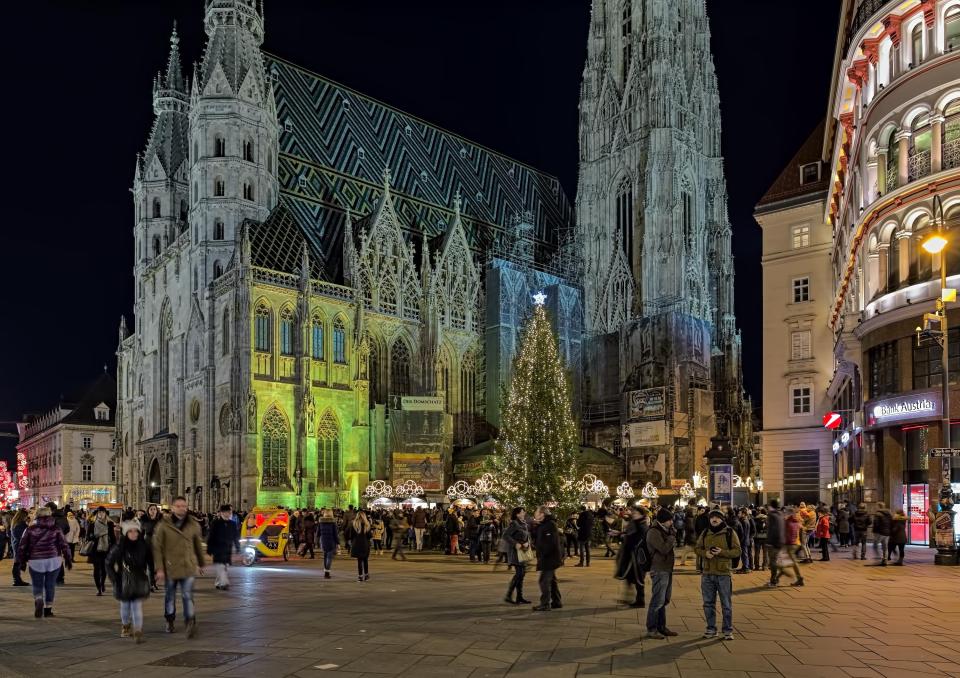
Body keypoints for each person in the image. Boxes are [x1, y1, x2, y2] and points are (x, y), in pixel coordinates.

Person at [153, 496, 206, 637]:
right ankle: (169, 620)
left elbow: (197, 545)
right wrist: (159, 568)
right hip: (170, 567)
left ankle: (190, 621)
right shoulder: (164, 525)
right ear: (172, 508)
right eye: (178, 506)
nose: (182, 508)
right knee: (170, 596)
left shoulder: (193, 524)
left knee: (187, 596)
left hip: (188, 566)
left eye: (184, 506)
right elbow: (157, 547)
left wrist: (201, 563)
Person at [17, 506, 73, 618]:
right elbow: (64, 545)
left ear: (37, 515)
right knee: (50, 585)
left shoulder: (30, 529)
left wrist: (21, 561)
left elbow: (22, 546)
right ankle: (48, 610)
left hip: (36, 560)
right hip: (53, 560)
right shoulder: (56, 528)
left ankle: (38, 599)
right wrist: (68, 559)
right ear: (50, 515)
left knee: (37, 584)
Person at [695, 509, 740, 640]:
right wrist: (705, 554)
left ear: (722, 519)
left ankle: (727, 630)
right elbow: (697, 548)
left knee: (726, 604)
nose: (714, 520)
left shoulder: (729, 532)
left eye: (717, 518)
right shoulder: (705, 533)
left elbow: (737, 551)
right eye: (712, 518)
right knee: (708, 603)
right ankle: (711, 628)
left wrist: (722, 552)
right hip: (708, 572)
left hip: (723, 573)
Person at [105, 518, 152, 643]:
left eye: (135, 531)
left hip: (139, 579)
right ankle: (125, 626)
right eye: (130, 531)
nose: (133, 533)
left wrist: (153, 575)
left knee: (136, 605)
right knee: (125, 605)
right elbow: (109, 562)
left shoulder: (144, 545)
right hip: (123, 579)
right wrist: (114, 578)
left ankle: (138, 630)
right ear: (126, 533)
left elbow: (150, 562)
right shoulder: (120, 546)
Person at [644, 507, 677, 639]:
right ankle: (652, 629)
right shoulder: (653, 532)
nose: (672, 522)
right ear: (664, 521)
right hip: (658, 569)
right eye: (670, 520)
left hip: (667, 568)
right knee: (658, 600)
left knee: (665, 599)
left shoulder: (667, 530)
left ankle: (661, 626)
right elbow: (663, 549)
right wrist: (671, 538)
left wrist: (671, 536)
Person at [614, 506, 649, 608]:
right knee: (629, 577)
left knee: (638, 579)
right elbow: (630, 535)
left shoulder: (642, 525)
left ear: (642, 514)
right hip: (630, 556)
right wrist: (621, 534)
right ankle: (630, 597)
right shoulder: (635, 523)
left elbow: (637, 540)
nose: (633, 514)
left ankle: (640, 600)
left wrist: (624, 536)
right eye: (633, 512)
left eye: (636, 513)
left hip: (637, 557)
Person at [531, 505, 563, 612]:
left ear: (542, 514)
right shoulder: (544, 524)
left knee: (543, 581)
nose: (535, 514)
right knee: (552, 581)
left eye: (536, 512)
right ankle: (557, 602)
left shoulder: (550, 525)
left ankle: (545, 604)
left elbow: (551, 542)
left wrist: (543, 553)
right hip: (547, 557)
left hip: (550, 557)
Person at [206, 505, 240, 590]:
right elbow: (211, 536)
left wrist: (237, 546)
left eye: (230, 512)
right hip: (217, 548)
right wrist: (209, 548)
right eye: (226, 512)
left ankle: (218, 582)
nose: (228, 514)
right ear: (222, 513)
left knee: (224, 566)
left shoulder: (232, 524)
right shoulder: (215, 523)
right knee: (220, 565)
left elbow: (236, 536)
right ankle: (224, 582)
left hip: (227, 549)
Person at [502, 507, 531, 604]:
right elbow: (505, 535)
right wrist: (515, 543)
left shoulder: (524, 523)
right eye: (522, 512)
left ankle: (519, 597)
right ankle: (508, 595)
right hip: (515, 552)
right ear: (517, 514)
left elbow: (526, 536)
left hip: (523, 551)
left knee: (522, 574)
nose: (524, 513)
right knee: (519, 574)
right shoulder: (514, 523)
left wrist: (527, 542)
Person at [87, 507, 116, 595]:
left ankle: (102, 583)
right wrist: (93, 536)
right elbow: (87, 536)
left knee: (104, 569)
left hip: (106, 549)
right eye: (99, 513)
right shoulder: (92, 524)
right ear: (97, 514)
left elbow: (113, 537)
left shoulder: (110, 524)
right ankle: (98, 588)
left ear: (105, 514)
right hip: (95, 549)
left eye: (103, 512)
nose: (101, 514)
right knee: (96, 569)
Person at [347, 510, 372, 581]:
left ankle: (360, 576)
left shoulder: (354, 524)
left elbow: (351, 535)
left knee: (359, 561)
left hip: (357, 544)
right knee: (365, 560)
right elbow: (369, 536)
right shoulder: (367, 524)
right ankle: (366, 575)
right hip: (365, 544)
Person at [10, 509, 30, 587]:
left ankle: (17, 580)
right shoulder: (20, 525)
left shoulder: (15, 523)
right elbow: (22, 536)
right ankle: (17, 580)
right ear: (22, 516)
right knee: (17, 563)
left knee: (17, 562)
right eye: (26, 516)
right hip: (20, 546)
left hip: (17, 545)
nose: (27, 517)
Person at [318, 509, 338, 578]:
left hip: (323, 541)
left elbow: (318, 533)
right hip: (331, 541)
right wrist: (338, 543)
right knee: (329, 558)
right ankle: (327, 572)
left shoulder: (321, 522)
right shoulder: (333, 523)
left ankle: (326, 571)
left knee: (325, 557)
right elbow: (335, 534)